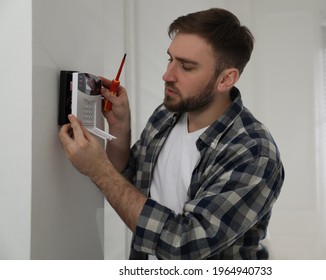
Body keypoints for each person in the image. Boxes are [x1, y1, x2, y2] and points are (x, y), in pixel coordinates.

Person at [59, 8, 285, 260]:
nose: (167, 75)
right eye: (170, 60)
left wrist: (98, 170)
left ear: (226, 79)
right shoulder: (166, 115)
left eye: (186, 67)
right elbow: (127, 181)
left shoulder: (253, 152)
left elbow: (182, 244)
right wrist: (120, 128)